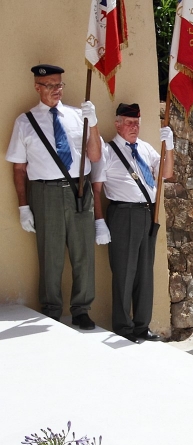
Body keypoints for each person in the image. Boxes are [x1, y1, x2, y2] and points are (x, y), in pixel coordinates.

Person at [6, 64, 104, 329]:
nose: (56, 90)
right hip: (45, 191)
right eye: (50, 85)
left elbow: (94, 156)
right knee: (50, 254)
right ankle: (51, 308)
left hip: (79, 189)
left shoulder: (76, 116)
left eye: (59, 85)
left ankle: (81, 308)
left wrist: (92, 124)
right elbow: (18, 168)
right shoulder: (25, 122)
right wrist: (23, 206)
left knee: (83, 251)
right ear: (37, 87)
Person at [101, 103, 174, 343]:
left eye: (137, 123)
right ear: (118, 124)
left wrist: (169, 147)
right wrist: (99, 220)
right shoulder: (108, 151)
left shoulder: (145, 148)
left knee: (145, 272)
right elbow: (96, 186)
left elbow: (166, 173)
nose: (134, 127)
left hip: (147, 213)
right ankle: (123, 327)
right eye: (129, 123)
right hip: (123, 214)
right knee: (124, 272)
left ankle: (142, 326)